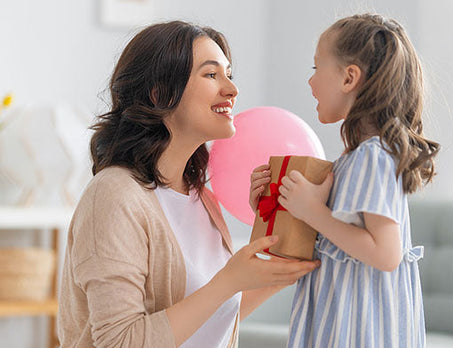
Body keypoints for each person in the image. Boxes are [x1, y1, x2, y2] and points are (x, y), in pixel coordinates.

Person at [58, 21, 320, 348]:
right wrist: (228, 282)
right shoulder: (113, 196)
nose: (231, 89)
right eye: (211, 75)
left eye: (229, 75)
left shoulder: (202, 198)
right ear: (160, 93)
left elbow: (215, 317)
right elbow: (118, 341)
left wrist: (281, 266)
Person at [250, 13, 440, 347]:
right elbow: (335, 240)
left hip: (361, 330)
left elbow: (385, 254)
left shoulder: (374, 156)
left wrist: (312, 211)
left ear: (349, 77)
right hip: (341, 322)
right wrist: (272, 207)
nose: (310, 83)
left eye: (315, 68)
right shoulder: (354, 160)